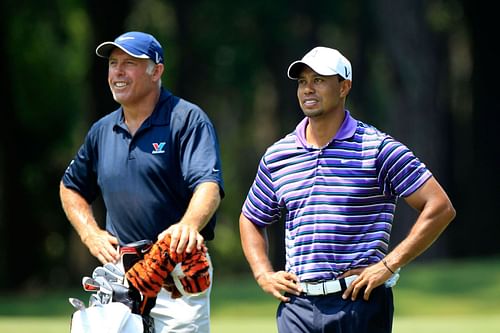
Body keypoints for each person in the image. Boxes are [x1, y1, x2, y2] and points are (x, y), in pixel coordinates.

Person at [239, 46, 455, 333]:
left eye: (319, 80)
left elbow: (439, 207)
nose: (308, 90)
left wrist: (388, 265)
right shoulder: (279, 155)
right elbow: (251, 218)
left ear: (344, 87)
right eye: (303, 82)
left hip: (357, 302)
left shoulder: (377, 148)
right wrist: (263, 273)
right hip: (297, 307)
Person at [60, 31, 224, 333]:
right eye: (113, 63)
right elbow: (71, 187)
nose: (118, 72)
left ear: (157, 70)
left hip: (177, 275)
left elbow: (208, 186)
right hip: (120, 274)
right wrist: (90, 233)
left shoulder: (187, 119)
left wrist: (187, 225)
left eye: (129, 63)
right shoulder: (102, 130)